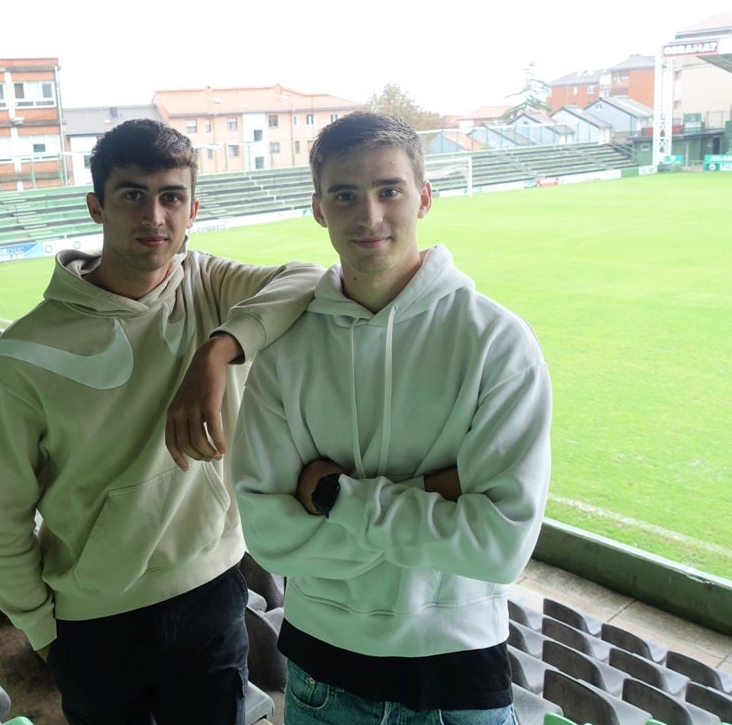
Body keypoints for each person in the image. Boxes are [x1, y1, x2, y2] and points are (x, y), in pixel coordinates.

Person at [0, 118, 323, 725]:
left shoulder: (211, 285)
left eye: (172, 198)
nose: (154, 217)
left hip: (213, 592)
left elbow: (312, 279)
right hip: (92, 619)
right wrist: (41, 628)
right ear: (96, 206)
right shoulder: (26, 349)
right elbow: (3, 512)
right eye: (133, 195)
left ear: (193, 209)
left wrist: (216, 351)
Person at [232, 111, 552, 725]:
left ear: (424, 197)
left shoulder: (497, 343)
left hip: (454, 672)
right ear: (319, 208)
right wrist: (433, 496)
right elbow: (268, 536)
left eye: (389, 191)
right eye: (345, 195)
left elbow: (499, 545)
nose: (369, 216)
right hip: (318, 674)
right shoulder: (287, 350)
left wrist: (335, 497)